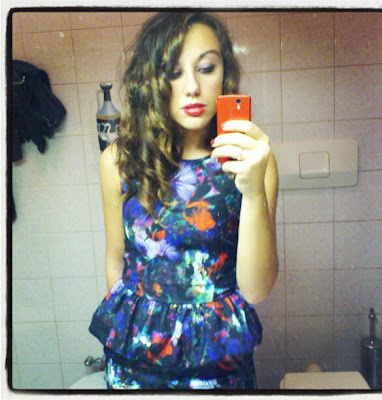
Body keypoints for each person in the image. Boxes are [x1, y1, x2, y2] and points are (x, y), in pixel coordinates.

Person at [89, 11, 279, 390]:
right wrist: (126, 331)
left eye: (206, 68)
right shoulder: (118, 160)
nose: (192, 87)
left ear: (224, 72)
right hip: (134, 362)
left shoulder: (252, 160)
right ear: (150, 81)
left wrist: (254, 189)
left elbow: (257, 289)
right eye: (173, 72)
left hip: (217, 361)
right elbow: (116, 258)